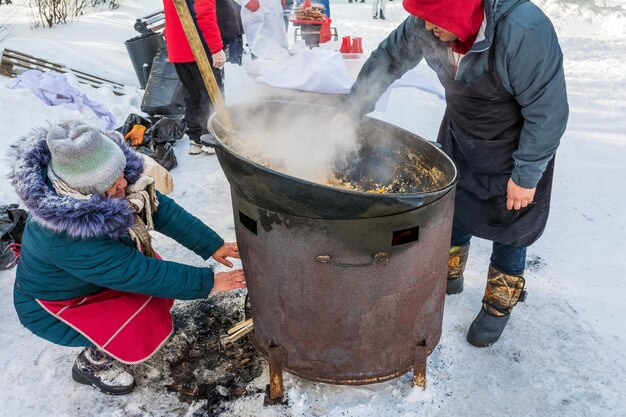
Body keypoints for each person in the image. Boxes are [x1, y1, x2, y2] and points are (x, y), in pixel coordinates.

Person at [340, 0, 568, 347]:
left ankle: (498, 303)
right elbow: (389, 58)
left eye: (435, 21)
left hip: (515, 145)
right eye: (424, 20)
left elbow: (548, 110)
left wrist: (526, 174)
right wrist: (354, 107)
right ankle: (450, 271)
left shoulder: (523, 30)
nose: (427, 29)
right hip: (462, 133)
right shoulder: (427, 21)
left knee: (511, 224)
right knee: (454, 203)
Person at [8, 121, 246, 395]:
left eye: (121, 172)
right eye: (112, 182)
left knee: (155, 291)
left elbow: (158, 208)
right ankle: (92, 364)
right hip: (54, 305)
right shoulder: (64, 238)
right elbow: (140, 273)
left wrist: (211, 244)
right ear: (87, 192)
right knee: (137, 315)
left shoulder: (104, 186)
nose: (124, 182)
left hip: (91, 278)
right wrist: (210, 282)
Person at [163, 0, 226, 155]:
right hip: (197, 46)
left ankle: (196, 138)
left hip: (177, 45)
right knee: (211, 92)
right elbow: (204, 13)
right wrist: (216, 48)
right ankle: (209, 137)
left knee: (191, 94)